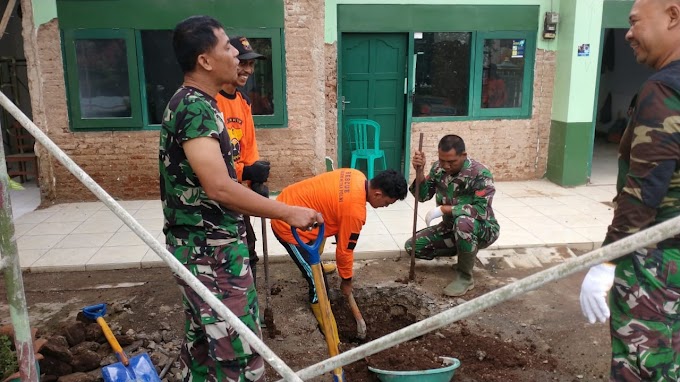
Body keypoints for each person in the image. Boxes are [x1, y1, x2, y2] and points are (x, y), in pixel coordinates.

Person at [160, 16, 322, 382]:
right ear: (204, 60)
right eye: (227, 48)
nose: (236, 55)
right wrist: (287, 212)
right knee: (240, 354)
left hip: (204, 246)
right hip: (210, 250)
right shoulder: (195, 107)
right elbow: (218, 188)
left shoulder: (202, 102)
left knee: (202, 345)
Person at [579, 0, 680, 380]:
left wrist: (607, 261)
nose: (628, 33)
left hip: (657, 262)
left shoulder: (663, 90)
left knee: (643, 366)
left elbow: (643, 193)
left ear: (672, 16)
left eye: (635, 22)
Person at [271, 169, 407, 334]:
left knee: (327, 229)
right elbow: (344, 251)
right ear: (377, 194)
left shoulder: (357, 175)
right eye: (386, 203)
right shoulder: (354, 212)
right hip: (288, 224)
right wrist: (347, 281)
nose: (384, 207)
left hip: (293, 201)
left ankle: (315, 265)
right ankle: (330, 333)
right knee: (319, 284)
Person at [406, 134, 500, 297]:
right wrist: (419, 172)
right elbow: (422, 196)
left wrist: (445, 210)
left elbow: (481, 210)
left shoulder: (480, 174)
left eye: (451, 161)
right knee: (413, 247)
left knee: (463, 223)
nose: (446, 166)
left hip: (482, 228)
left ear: (463, 156)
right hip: (450, 227)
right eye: (442, 160)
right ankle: (464, 252)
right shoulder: (438, 169)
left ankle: (465, 277)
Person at [215, 36, 268, 285]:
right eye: (242, 62)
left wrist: (255, 176)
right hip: (217, 196)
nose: (247, 69)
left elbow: (248, 146)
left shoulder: (243, 101)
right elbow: (212, 163)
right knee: (226, 257)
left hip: (238, 192)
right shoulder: (211, 102)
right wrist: (245, 170)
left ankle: (250, 306)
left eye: (251, 64)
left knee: (249, 251)